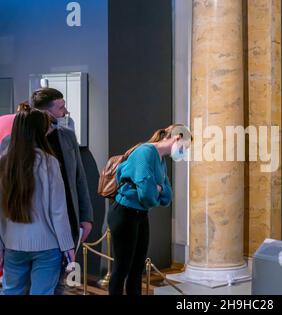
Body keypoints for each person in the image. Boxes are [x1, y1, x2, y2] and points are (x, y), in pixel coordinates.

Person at [0, 88, 93, 293]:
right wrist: (67, 248)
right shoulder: (36, 157)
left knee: (13, 290)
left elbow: (79, 180)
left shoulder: (66, 138)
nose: (65, 112)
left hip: (17, 240)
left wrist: (86, 217)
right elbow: (56, 212)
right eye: (61, 107)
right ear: (43, 115)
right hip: (50, 238)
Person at [108, 124, 191, 295]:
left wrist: (157, 189)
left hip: (140, 214)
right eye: (184, 146)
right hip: (124, 213)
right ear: (177, 138)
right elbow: (147, 194)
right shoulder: (145, 152)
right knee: (122, 267)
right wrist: (157, 189)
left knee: (137, 267)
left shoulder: (160, 159)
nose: (183, 151)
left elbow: (167, 196)